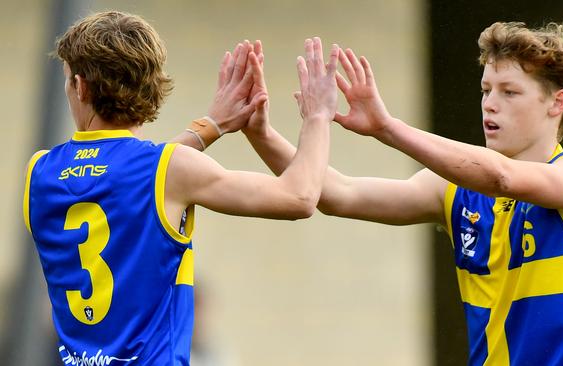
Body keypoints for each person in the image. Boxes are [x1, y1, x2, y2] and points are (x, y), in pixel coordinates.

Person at [241, 23, 563, 365]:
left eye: (510, 92)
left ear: (557, 103)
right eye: (486, 89)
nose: (490, 103)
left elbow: (502, 177)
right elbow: (338, 193)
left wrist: (387, 128)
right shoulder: (456, 191)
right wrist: (261, 133)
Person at [23, 11, 339, 365]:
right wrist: (317, 117)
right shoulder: (170, 170)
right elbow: (300, 196)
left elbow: (125, 176)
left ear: (80, 86)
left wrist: (210, 127)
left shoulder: (40, 172)